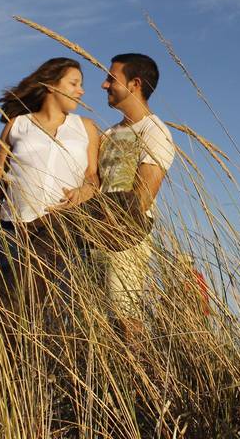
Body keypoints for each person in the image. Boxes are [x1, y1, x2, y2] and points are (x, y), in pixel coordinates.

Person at [0, 57, 100, 314]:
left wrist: (84, 191)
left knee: (60, 312)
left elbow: (93, 177)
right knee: (7, 313)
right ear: (51, 86)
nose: (82, 90)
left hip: (63, 231)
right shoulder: (17, 125)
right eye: (74, 83)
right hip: (14, 231)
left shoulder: (85, 127)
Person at [93, 53, 175, 333]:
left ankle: (137, 374)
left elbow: (141, 199)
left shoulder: (155, 132)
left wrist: (110, 230)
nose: (104, 85)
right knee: (94, 321)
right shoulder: (108, 133)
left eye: (111, 78)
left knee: (126, 322)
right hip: (94, 236)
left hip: (127, 238)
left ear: (134, 84)